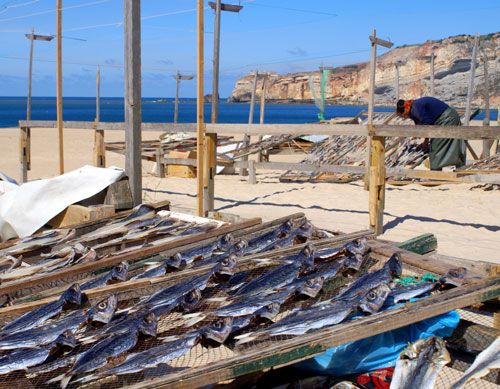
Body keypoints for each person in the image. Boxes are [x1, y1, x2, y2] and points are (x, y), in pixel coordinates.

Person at [396, 97, 466, 170]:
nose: (404, 117)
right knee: (451, 143)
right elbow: (420, 124)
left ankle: (436, 171)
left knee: (436, 146)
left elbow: (427, 126)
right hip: (448, 117)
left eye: (403, 115)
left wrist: (426, 141)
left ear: (406, 109)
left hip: (447, 119)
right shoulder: (413, 107)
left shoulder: (415, 108)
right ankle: (459, 166)